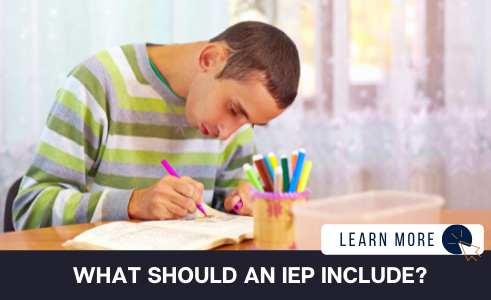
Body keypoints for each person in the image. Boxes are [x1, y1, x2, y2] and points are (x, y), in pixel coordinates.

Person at [12, 21, 300, 230]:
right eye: (234, 110)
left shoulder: (236, 121)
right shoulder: (99, 82)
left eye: (251, 124)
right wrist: (133, 203)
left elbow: (230, 216)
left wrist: (246, 203)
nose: (229, 133)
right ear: (210, 59)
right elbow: (29, 209)